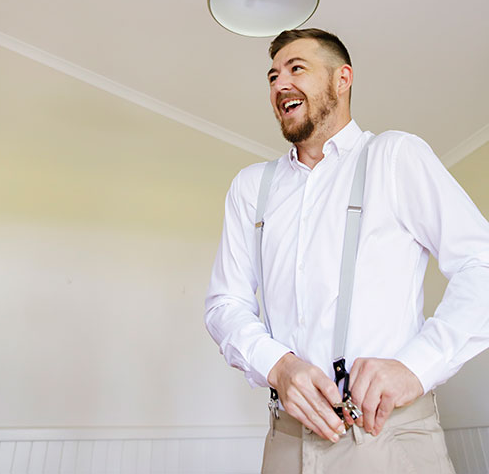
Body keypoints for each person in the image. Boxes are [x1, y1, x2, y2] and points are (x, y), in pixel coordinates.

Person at [204, 28, 489, 473]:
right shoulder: (250, 188)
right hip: (285, 440)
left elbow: (481, 265)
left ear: (343, 79)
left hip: (389, 438)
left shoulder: (395, 156)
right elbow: (224, 303)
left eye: (297, 69)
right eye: (273, 75)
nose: (280, 85)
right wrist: (278, 365)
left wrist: (417, 366)